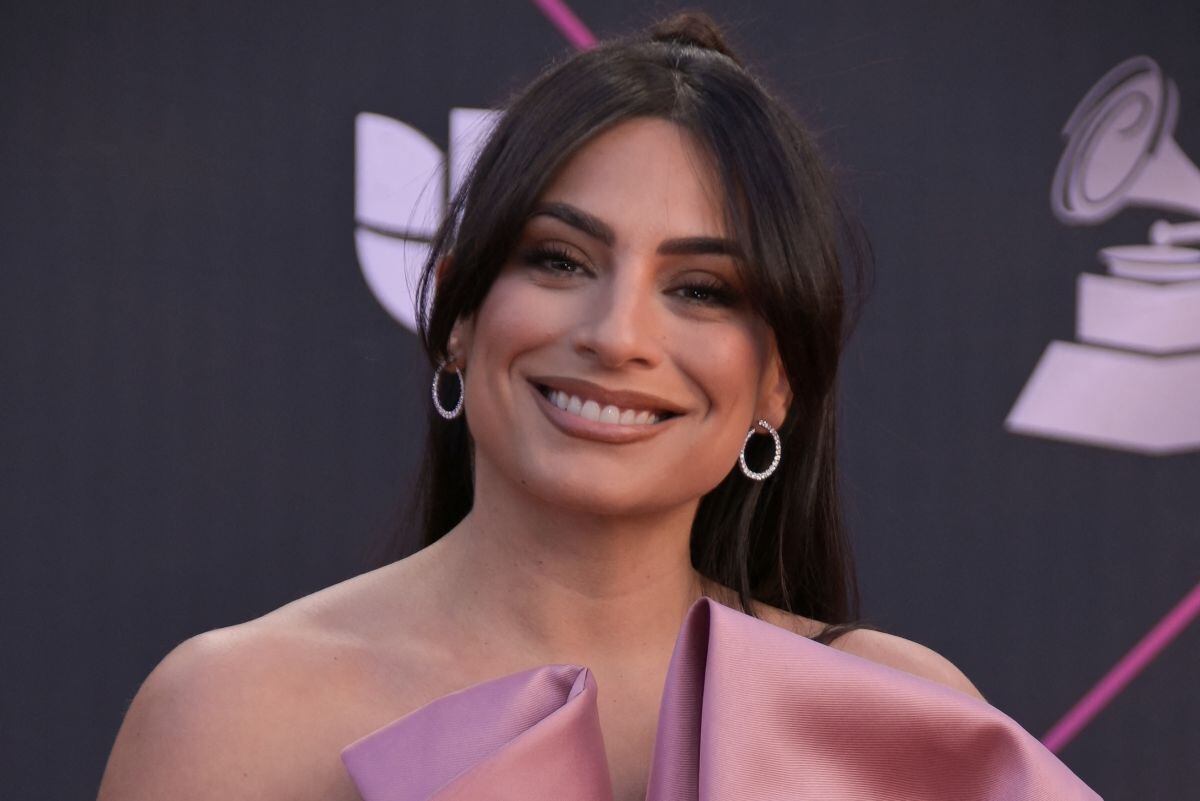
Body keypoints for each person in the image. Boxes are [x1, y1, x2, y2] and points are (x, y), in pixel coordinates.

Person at [97, 11, 1101, 801]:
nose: (618, 334)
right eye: (559, 260)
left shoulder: (893, 712)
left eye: (703, 289)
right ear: (457, 311)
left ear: (778, 383)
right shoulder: (236, 712)